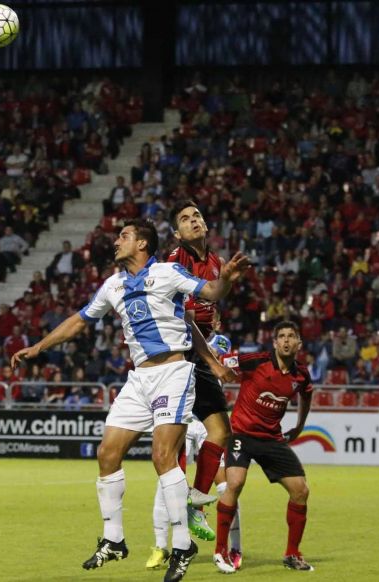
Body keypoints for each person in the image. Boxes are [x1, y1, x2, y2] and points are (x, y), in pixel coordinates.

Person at [11, 219, 249, 582]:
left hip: (172, 371)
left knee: (162, 456)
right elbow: (78, 321)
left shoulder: (169, 273)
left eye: (124, 236)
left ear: (142, 244)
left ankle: (183, 545)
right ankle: (114, 539)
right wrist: (39, 347)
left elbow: (212, 293)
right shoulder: (114, 284)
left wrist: (228, 277)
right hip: (139, 379)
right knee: (107, 453)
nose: (116, 241)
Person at [213, 321, 315, 573]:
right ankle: (220, 551)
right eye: (281, 336)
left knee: (300, 490)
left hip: (271, 438)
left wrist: (300, 425)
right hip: (242, 434)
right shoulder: (256, 361)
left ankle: (292, 553)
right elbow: (223, 362)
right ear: (275, 342)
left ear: (299, 343)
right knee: (234, 483)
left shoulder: (300, 374)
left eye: (292, 336)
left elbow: (307, 395)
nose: (286, 340)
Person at [166, 200, 240, 541]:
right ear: (176, 232)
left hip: (200, 351)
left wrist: (214, 314)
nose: (193, 221)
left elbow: (210, 299)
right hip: (176, 356)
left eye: (196, 215)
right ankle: (174, 518)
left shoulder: (215, 262)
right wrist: (212, 360)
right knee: (174, 437)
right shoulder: (173, 261)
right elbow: (181, 317)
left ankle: (194, 503)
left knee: (221, 432)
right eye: (185, 219)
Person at [148, 324, 241, 570]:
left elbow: (214, 355)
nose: (204, 315)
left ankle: (232, 547)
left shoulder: (220, 341)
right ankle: (160, 547)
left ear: (217, 321)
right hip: (185, 418)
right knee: (168, 481)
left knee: (226, 486)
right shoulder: (179, 337)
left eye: (209, 313)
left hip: (207, 418)